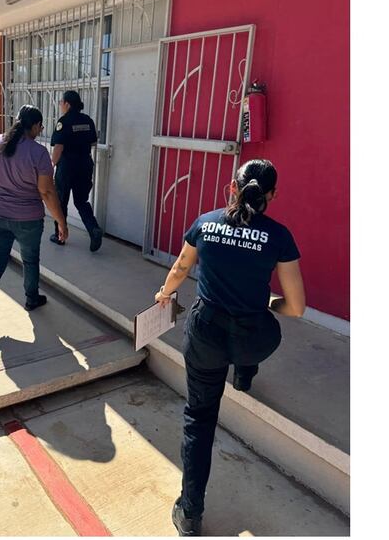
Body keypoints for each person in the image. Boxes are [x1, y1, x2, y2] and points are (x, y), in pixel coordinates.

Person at [153, 159, 306, 536]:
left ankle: (189, 513)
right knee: (253, 336)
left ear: (232, 188)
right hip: (252, 336)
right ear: (272, 195)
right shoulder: (279, 235)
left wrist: (163, 294)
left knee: (199, 419)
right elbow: (296, 307)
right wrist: (265, 305)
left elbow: (179, 270)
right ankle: (245, 375)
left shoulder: (206, 222)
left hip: (206, 333)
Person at [0, 105, 69, 337]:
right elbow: (46, 192)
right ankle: (32, 298)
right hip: (28, 220)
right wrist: (61, 222)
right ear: (34, 126)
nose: (40, 130)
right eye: (40, 126)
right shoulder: (38, 153)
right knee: (30, 260)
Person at [49, 90, 104, 252]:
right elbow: (93, 142)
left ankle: (59, 237)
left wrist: (51, 165)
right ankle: (94, 229)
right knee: (81, 201)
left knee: (61, 202)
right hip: (85, 164)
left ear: (67, 104)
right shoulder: (87, 120)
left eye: (61, 102)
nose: (60, 105)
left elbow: (59, 146)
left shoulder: (64, 121)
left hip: (67, 167)